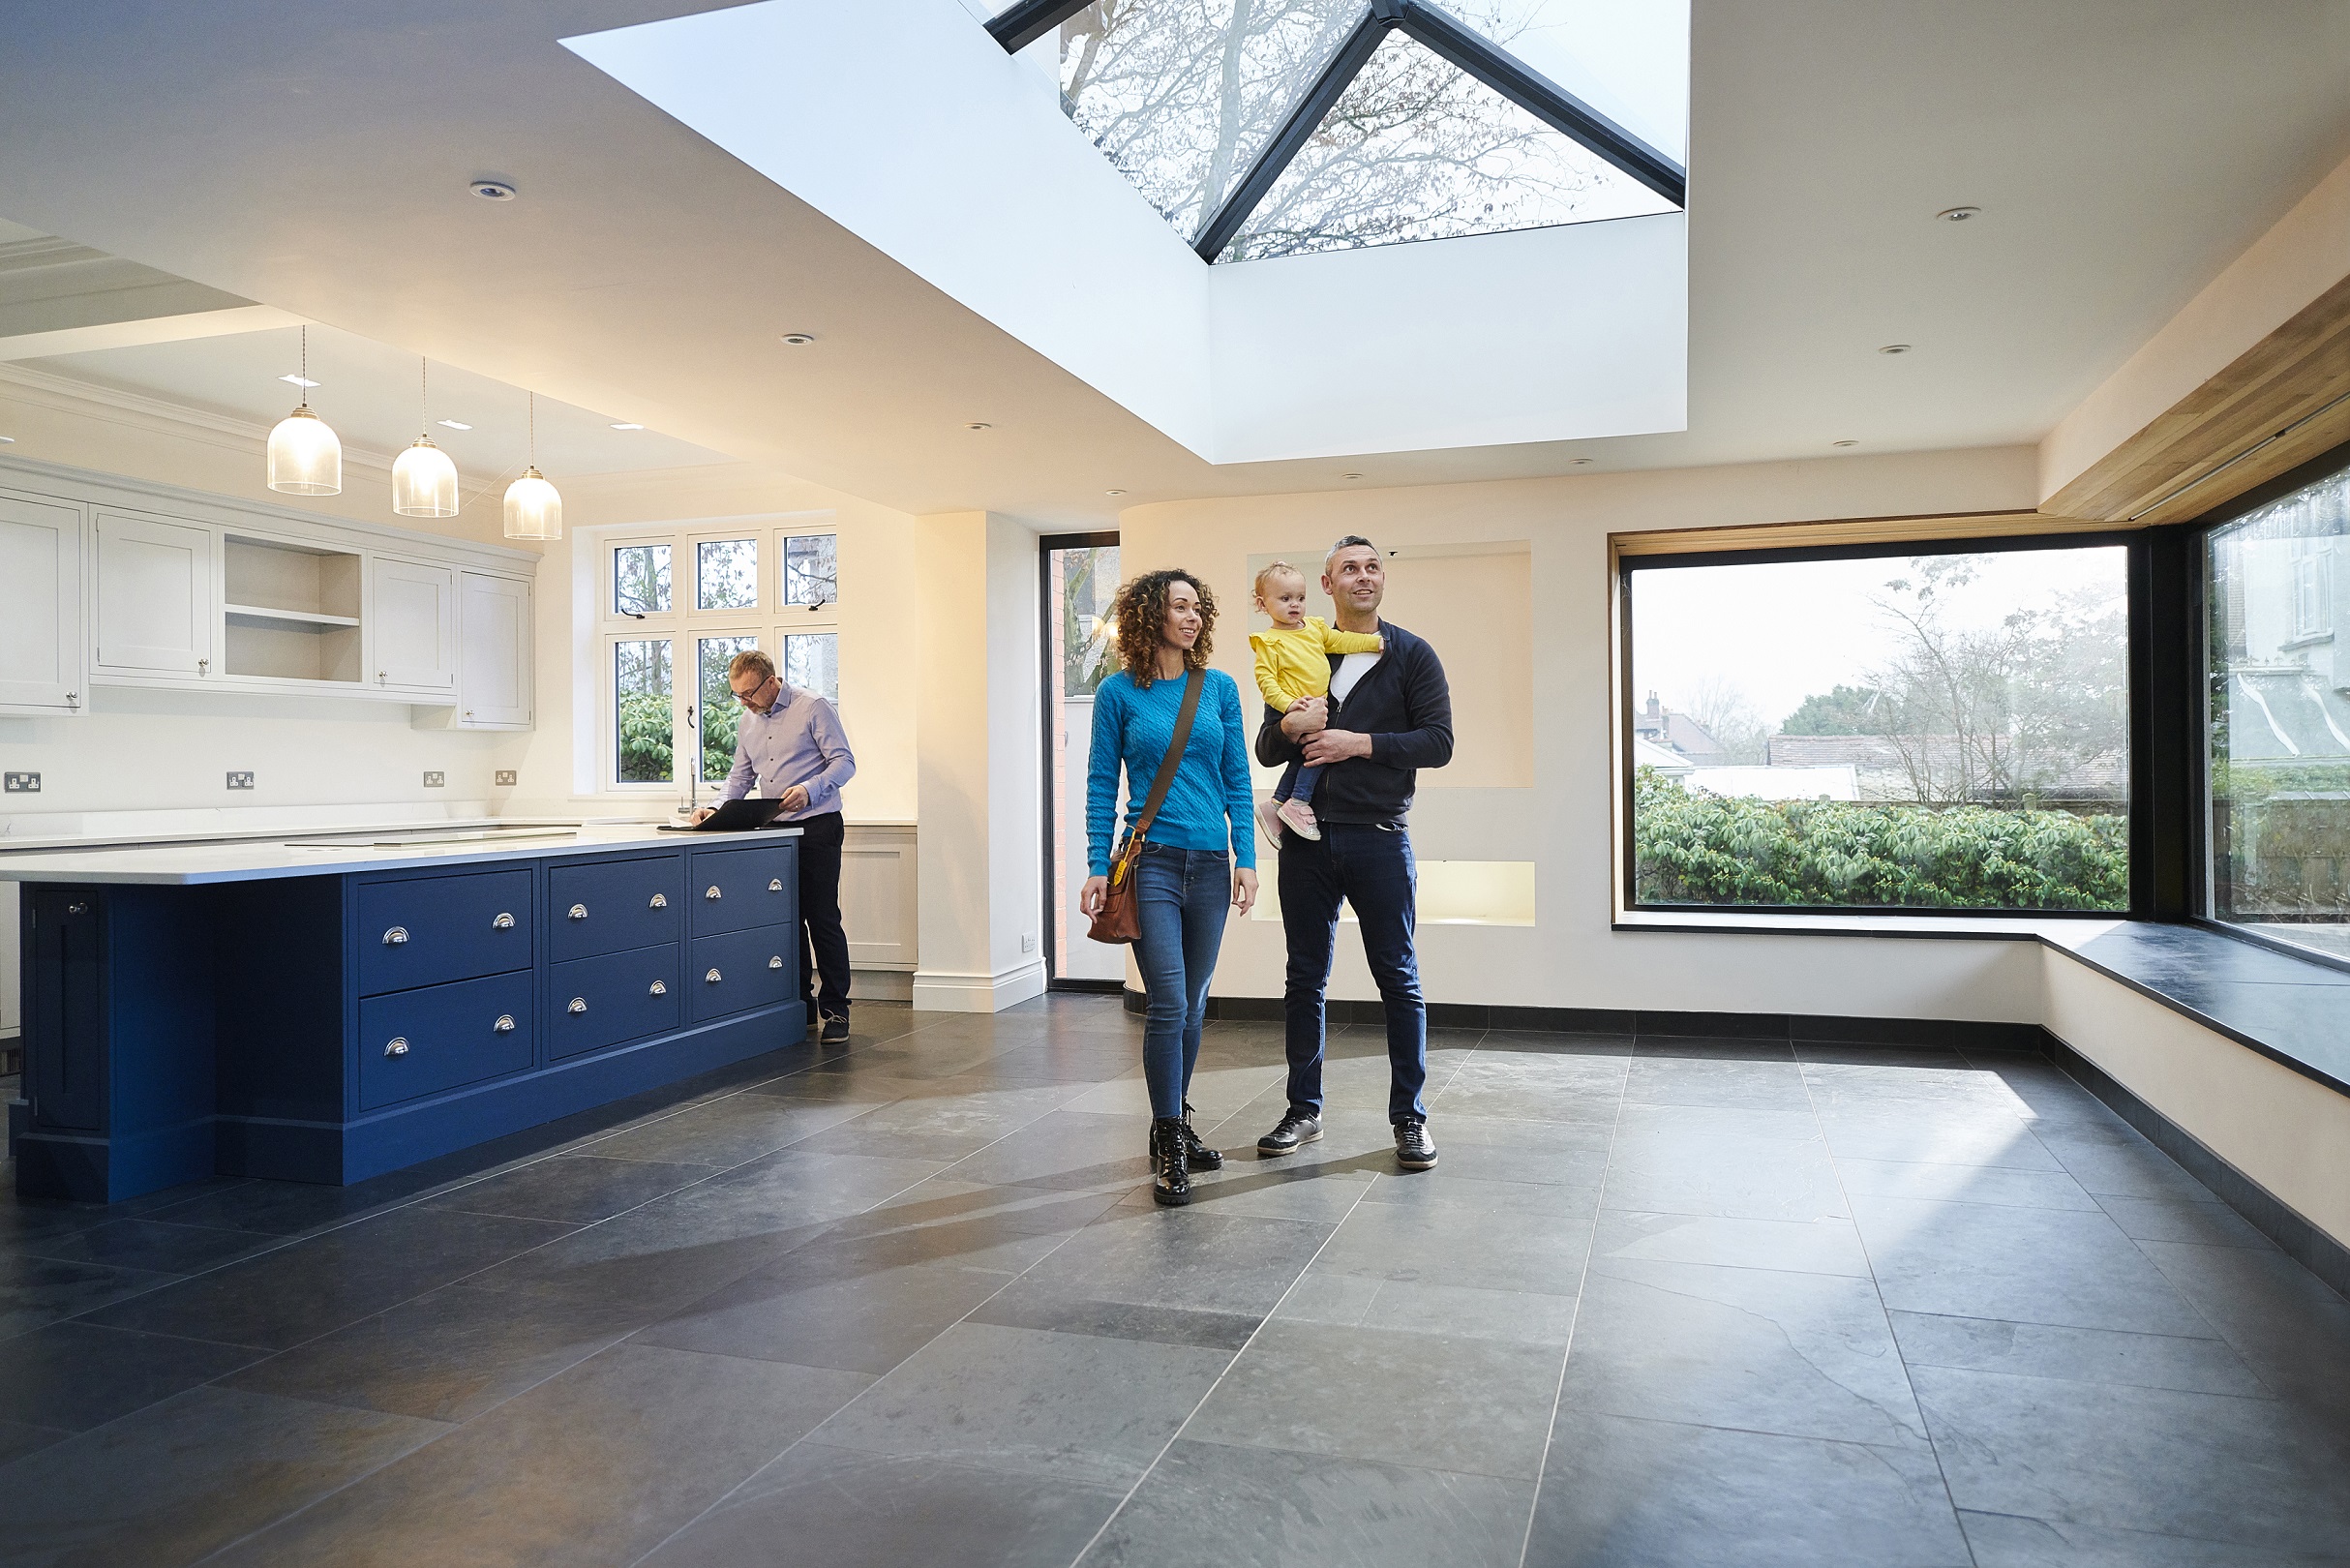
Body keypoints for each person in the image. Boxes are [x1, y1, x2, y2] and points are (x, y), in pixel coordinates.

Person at [1253, 535, 1453, 1171]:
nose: (1363, 576)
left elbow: (1438, 741)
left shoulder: (1412, 654)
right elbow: (1266, 745)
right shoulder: (1296, 644)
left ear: (1381, 581)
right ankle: (1303, 1111)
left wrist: (1354, 743)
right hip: (1306, 843)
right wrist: (1292, 726)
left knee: (1399, 980)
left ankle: (1409, 1119)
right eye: (1349, 569)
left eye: (1372, 567)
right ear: (1327, 583)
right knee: (1304, 980)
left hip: (1381, 840)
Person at [1080, 568, 1259, 1207]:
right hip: (1151, 862)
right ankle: (1168, 1141)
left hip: (1211, 863)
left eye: (1197, 609)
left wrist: (1245, 855)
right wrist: (1098, 864)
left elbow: (1237, 776)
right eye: (1179, 607)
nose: (1192, 618)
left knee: (1193, 1001)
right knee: (1169, 1002)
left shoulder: (1220, 689)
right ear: (1150, 616)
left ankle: (1177, 1126)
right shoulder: (1118, 694)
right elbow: (1103, 782)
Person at [692, 648, 857, 1045]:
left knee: (821, 918)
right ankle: (798, 1006)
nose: (745, 703)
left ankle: (835, 1010)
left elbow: (844, 763)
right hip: (775, 834)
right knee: (786, 922)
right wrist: (714, 808)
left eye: (749, 694)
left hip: (817, 825)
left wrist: (809, 789)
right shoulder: (747, 722)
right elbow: (740, 776)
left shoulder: (812, 707)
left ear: (771, 681)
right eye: (738, 696)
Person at [1248, 560, 1384, 845]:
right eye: (1285, 599)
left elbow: (1342, 641)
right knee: (1318, 752)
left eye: (1300, 598)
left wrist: (1373, 643)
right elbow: (1266, 683)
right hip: (1292, 706)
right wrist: (1289, 706)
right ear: (1263, 604)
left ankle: (1275, 805)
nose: (1294, 605)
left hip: (1315, 705)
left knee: (1305, 755)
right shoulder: (1269, 642)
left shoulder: (1314, 628)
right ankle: (1297, 802)